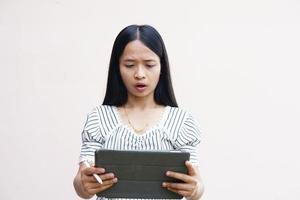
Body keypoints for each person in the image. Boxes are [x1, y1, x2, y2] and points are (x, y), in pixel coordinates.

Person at [73, 24, 204, 200]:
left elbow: (196, 181)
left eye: (149, 65)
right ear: (117, 68)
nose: (139, 74)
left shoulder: (182, 122)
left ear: (161, 67)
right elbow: (82, 180)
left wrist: (195, 189)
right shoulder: (99, 118)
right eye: (129, 65)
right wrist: (84, 185)